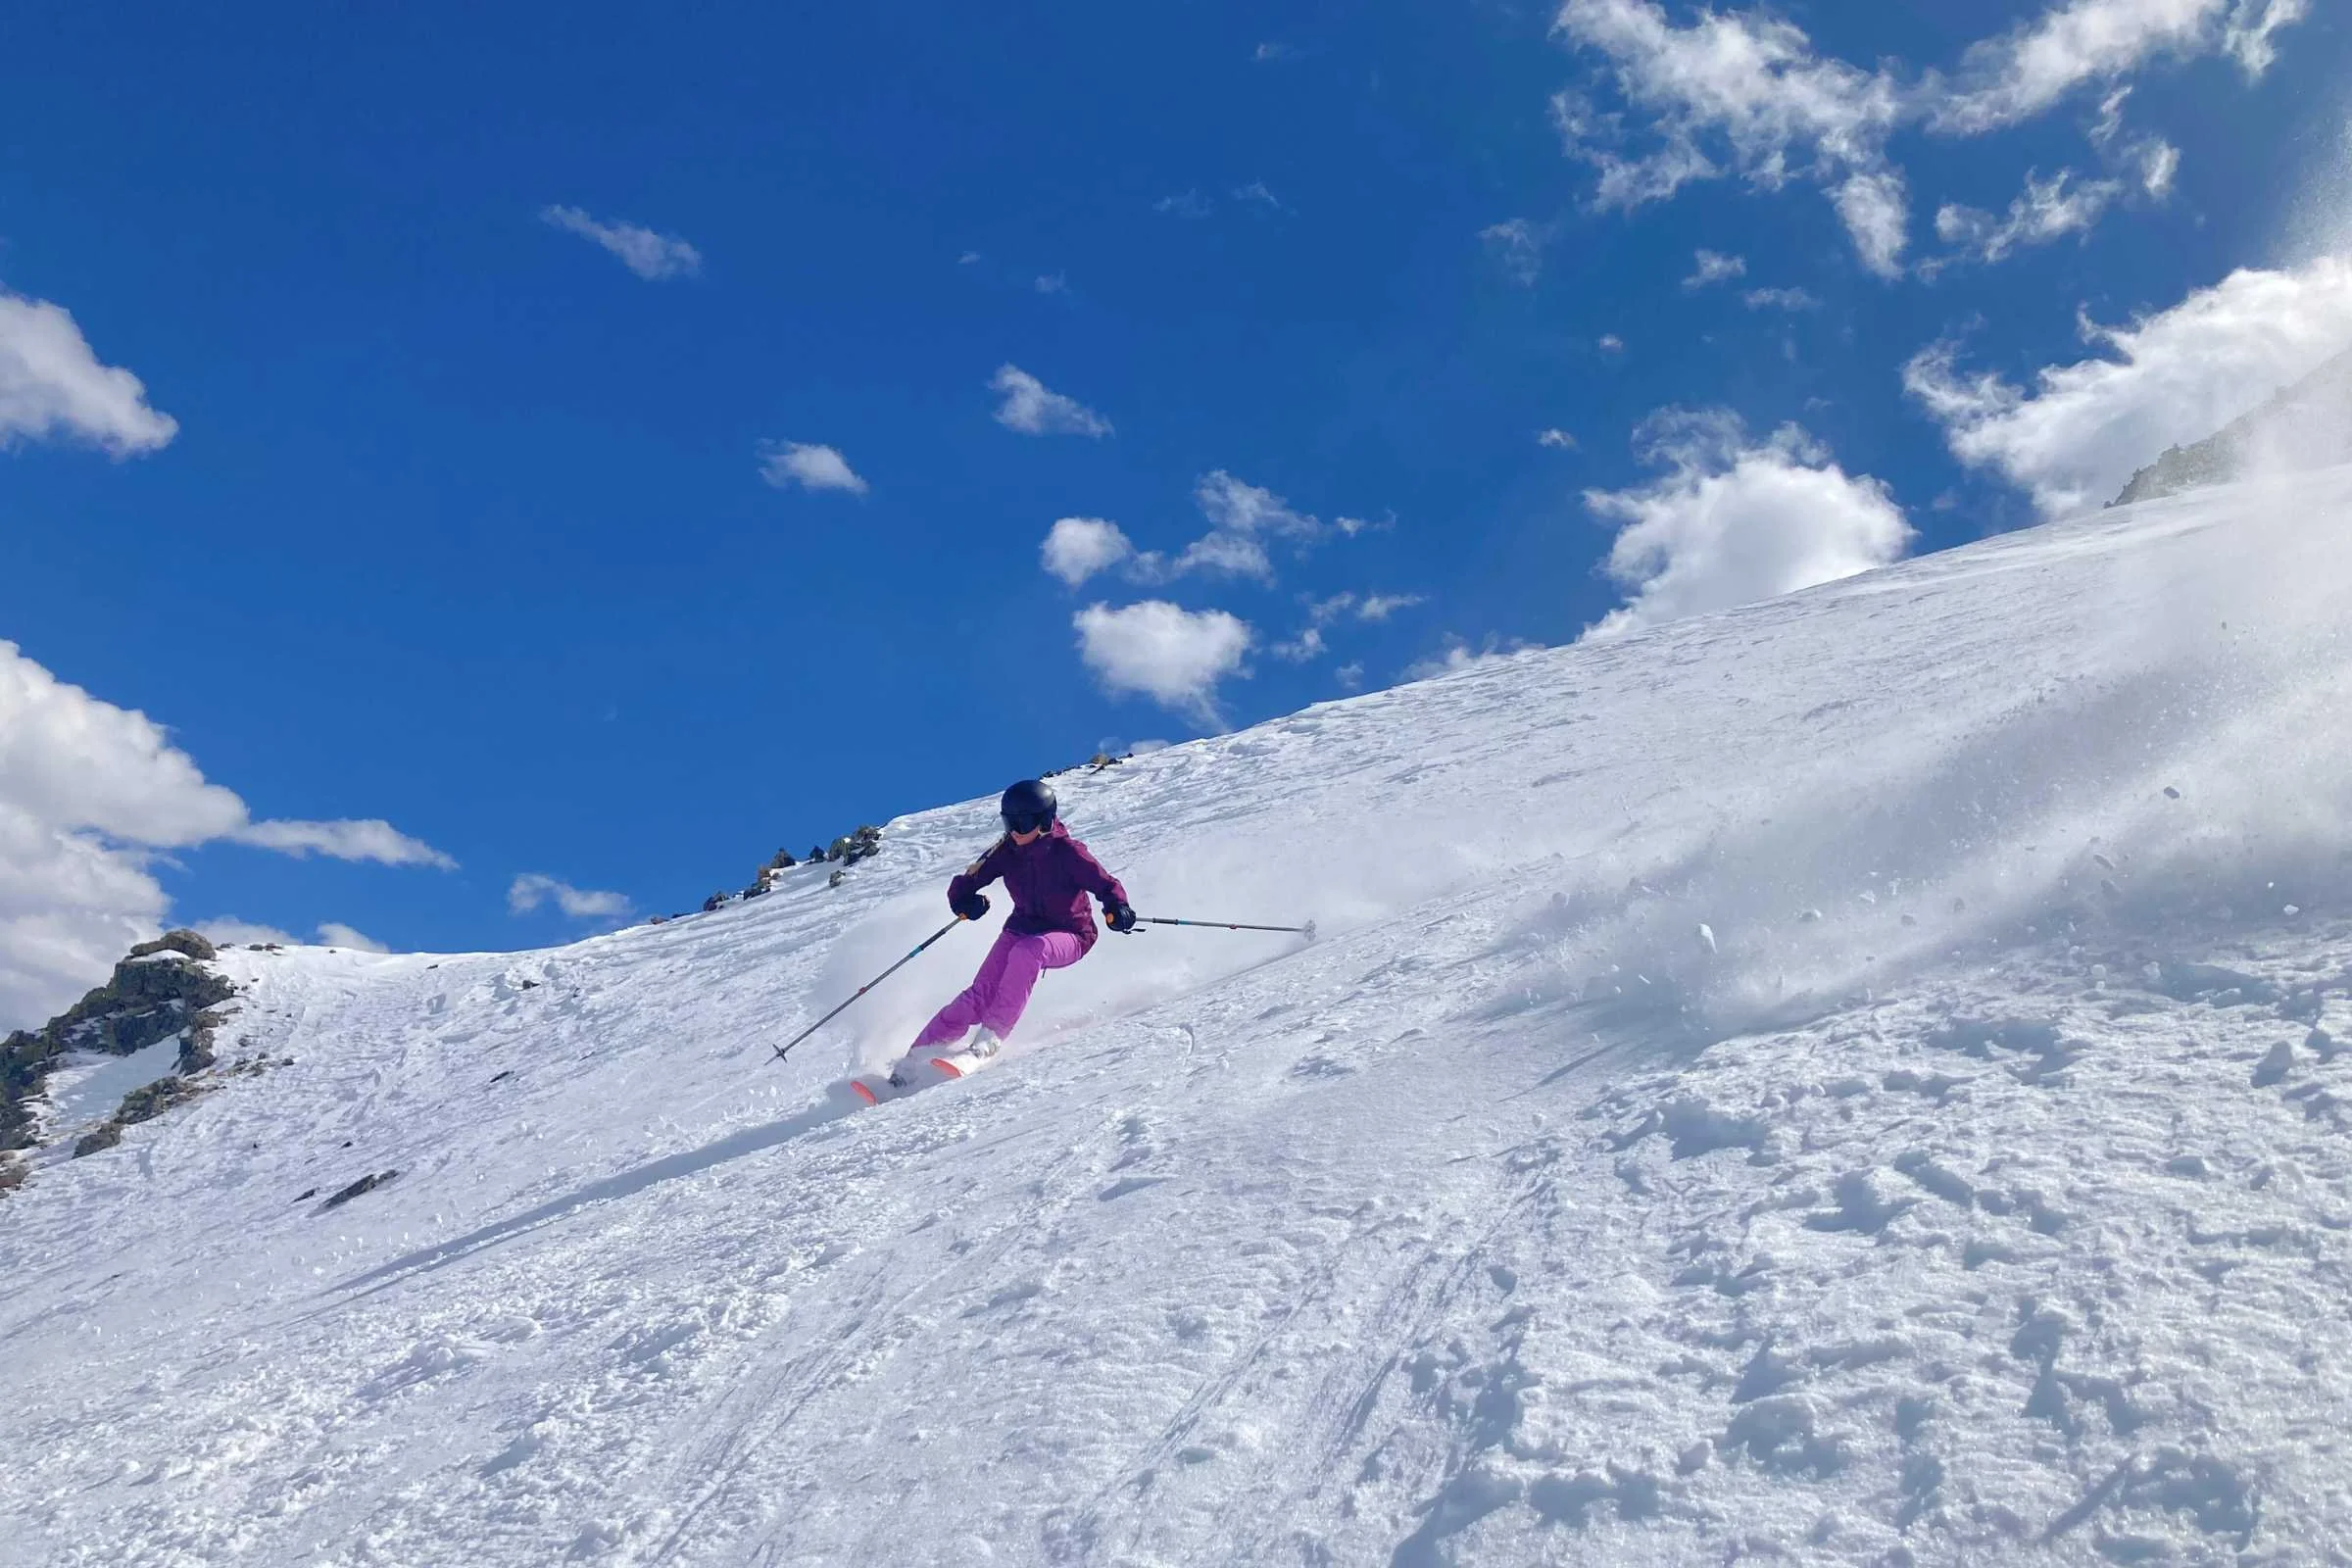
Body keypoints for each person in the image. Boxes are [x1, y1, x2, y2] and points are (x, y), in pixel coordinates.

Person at [877, 779, 1135, 1092]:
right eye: (1008, 822)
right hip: (1022, 926)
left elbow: (1106, 885)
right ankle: (910, 1066)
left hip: (1071, 934)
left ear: (1043, 821)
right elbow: (967, 880)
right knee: (976, 997)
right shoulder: (1007, 850)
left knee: (1030, 951)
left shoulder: (1068, 852)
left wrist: (1117, 907)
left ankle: (987, 1043)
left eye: (1021, 823)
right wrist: (965, 901)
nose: (1014, 831)